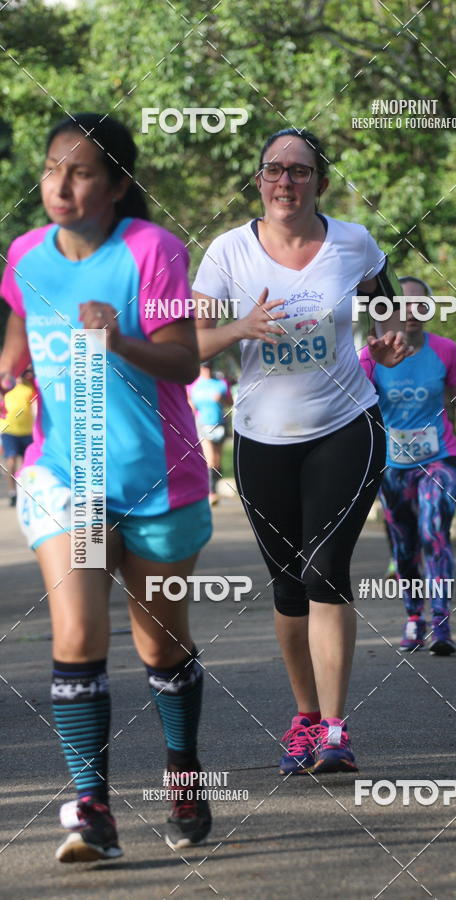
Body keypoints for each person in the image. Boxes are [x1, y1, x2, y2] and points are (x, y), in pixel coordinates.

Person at [0, 113, 213, 862]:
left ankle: (183, 771)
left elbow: (185, 361)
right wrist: (11, 366)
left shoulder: (151, 252)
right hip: (70, 482)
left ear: (119, 185)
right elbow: (22, 326)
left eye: (83, 171)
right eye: (54, 166)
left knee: (160, 646)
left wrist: (118, 338)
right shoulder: (26, 253)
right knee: (78, 635)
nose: (61, 183)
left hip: (156, 481)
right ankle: (93, 810)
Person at [192, 127, 408, 776]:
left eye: (300, 171)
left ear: (321, 182)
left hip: (347, 426)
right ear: (259, 180)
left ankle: (337, 729)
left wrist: (389, 332)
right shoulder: (228, 252)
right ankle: (306, 718)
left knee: (324, 572)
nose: (285, 181)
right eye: (273, 170)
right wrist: (242, 327)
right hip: (262, 441)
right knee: (288, 587)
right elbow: (190, 345)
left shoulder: (351, 241)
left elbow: (384, 299)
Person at [360, 276, 456, 655]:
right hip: (393, 466)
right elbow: (353, 410)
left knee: (434, 530)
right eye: (401, 304)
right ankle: (413, 616)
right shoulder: (370, 355)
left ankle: (441, 620)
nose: (411, 311)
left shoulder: (446, 351)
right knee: (405, 544)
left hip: (441, 459)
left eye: (420, 304)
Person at [188, 361, 229, 505]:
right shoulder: (193, 385)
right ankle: (210, 492)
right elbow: (189, 404)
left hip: (219, 423)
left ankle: (215, 489)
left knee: (217, 460)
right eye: (204, 367)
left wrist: (221, 398)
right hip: (203, 424)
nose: (207, 370)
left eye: (209, 367)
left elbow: (229, 401)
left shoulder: (220, 383)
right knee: (210, 459)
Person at [0, 366, 35, 505]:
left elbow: (36, 408)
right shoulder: (5, 386)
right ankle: (12, 491)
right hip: (9, 430)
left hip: (28, 431)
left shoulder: (30, 388)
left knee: (27, 464)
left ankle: (26, 491)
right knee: (11, 461)